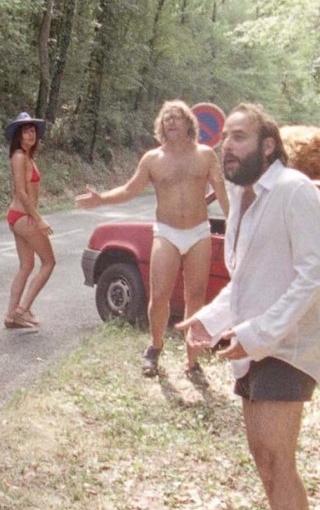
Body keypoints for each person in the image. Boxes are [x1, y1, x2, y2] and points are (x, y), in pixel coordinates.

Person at [178, 103, 320, 510]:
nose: (227, 145)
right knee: (269, 464)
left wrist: (258, 333)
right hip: (251, 349)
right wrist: (210, 319)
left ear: (268, 146)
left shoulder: (294, 190)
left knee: (277, 463)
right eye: (225, 137)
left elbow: (316, 273)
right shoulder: (242, 198)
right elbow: (246, 279)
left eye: (239, 136)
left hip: (286, 348)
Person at [76, 100, 230, 376]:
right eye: (166, 117)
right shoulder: (152, 159)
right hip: (166, 232)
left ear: (189, 123)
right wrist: (101, 199)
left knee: (195, 297)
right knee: (159, 295)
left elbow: (221, 191)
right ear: (161, 125)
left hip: (198, 233)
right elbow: (129, 190)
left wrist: (238, 224)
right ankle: (155, 347)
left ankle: (192, 359)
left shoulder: (206, 155)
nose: (170, 121)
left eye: (176, 117)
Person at [4, 112, 56, 329]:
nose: (30, 134)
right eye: (26, 131)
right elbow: (21, 192)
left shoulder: (27, 157)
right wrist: (39, 219)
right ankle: (22, 310)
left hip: (20, 216)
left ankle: (11, 316)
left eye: (33, 130)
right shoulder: (19, 156)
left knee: (26, 266)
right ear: (18, 135)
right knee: (49, 262)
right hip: (23, 216)